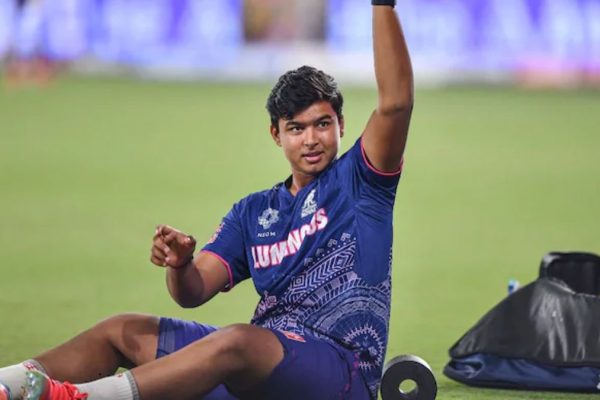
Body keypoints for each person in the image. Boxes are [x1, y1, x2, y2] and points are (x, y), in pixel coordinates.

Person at [0, 0, 413, 399]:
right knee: (121, 330)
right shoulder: (254, 212)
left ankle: (80, 398)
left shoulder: (361, 181)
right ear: (276, 134)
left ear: (341, 125)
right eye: (296, 128)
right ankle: (9, 384)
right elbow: (193, 292)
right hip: (261, 368)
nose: (311, 139)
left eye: (322, 124)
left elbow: (395, 104)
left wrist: (382, 4)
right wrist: (180, 264)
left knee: (235, 340)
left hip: (339, 372)